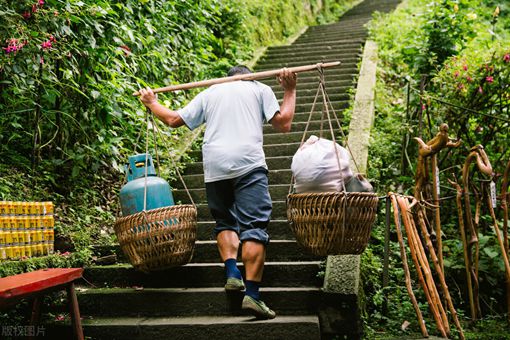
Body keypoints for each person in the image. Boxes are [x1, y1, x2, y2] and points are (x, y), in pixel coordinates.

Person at [139, 65, 297, 319]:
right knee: (254, 227)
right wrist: (289, 90)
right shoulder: (259, 88)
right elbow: (284, 124)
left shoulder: (211, 92)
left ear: (228, 78)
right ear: (248, 75)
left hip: (215, 167)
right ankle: (253, 295)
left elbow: (172, 120)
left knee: (224, 221)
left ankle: (233, 273)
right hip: (248, 164)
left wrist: (151, 102)